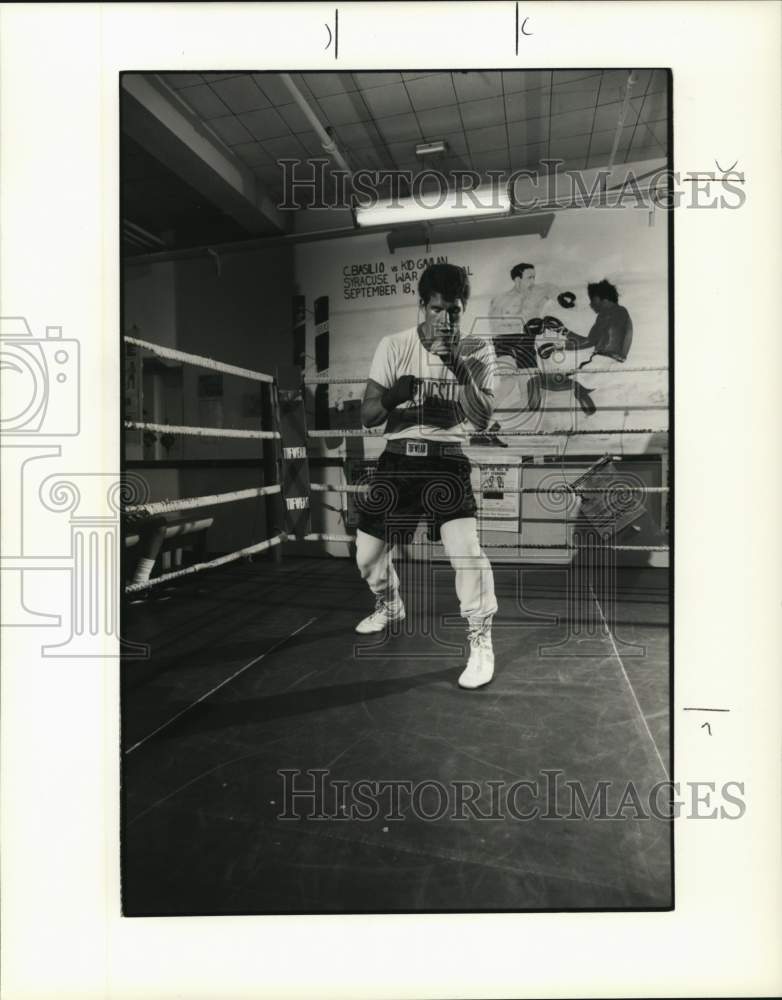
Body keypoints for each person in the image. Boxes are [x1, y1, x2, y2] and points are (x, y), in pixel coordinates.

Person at [354, 263, 498, 689]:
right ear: (422, 305)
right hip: (398, 460)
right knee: (366, 555)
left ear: (463, 308)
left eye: (454, 310)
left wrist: (457, 363)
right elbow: (366, 416)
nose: (447, 319)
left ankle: (480, 638)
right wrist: (392, 397)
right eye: (438, 309)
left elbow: (484, 417)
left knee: (466, 550)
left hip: (447, 461)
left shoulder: (477, 349)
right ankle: (389, 602)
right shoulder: (394, 345)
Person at [488, 263, 593, 414]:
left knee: (531, 398)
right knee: (508, 382)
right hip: (504, 342)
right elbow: (494, 326)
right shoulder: (500, 299)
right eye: (529, 277)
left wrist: (564, 299)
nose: (532, 281)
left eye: (534, 277)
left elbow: (554, 292)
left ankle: (496, 424)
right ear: (517, 280)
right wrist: (520, 327)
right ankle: (480, 414)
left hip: (526, 344)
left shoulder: (540, 290)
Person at [541, 279, 633, 369]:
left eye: (593, 300)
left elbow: (589, 342)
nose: (591, 304)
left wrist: (557, 346)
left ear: (604, 299)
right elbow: (591, 340)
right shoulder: (619, 312)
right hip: (608, 361)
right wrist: (564, 332)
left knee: (550, 381)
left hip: (604, 361)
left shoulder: (609, 313)